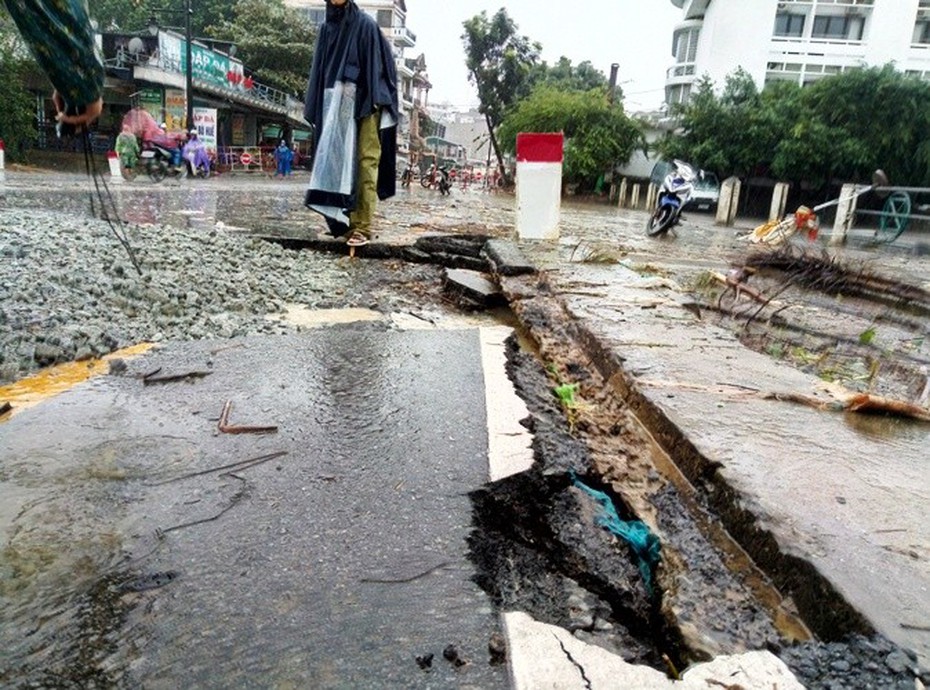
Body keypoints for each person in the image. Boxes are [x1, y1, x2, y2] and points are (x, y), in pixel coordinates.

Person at [303, 0, 398, 248]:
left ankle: (362, 226)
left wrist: (368, 99)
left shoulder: (366, 25)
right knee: (336, 161)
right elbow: (321, 71)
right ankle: (341, 221)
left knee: (366, 161)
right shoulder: (326, 29)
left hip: (366, 103)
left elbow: (379, 68)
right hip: (336, 106)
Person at [2, 0, 104, 129]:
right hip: (59, 43)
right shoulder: (89, 100)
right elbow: (61, 103)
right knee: (37, 21)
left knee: (65, 16)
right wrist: (62, 116)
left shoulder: (97, 78)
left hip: (78, 31)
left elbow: (57, 95)